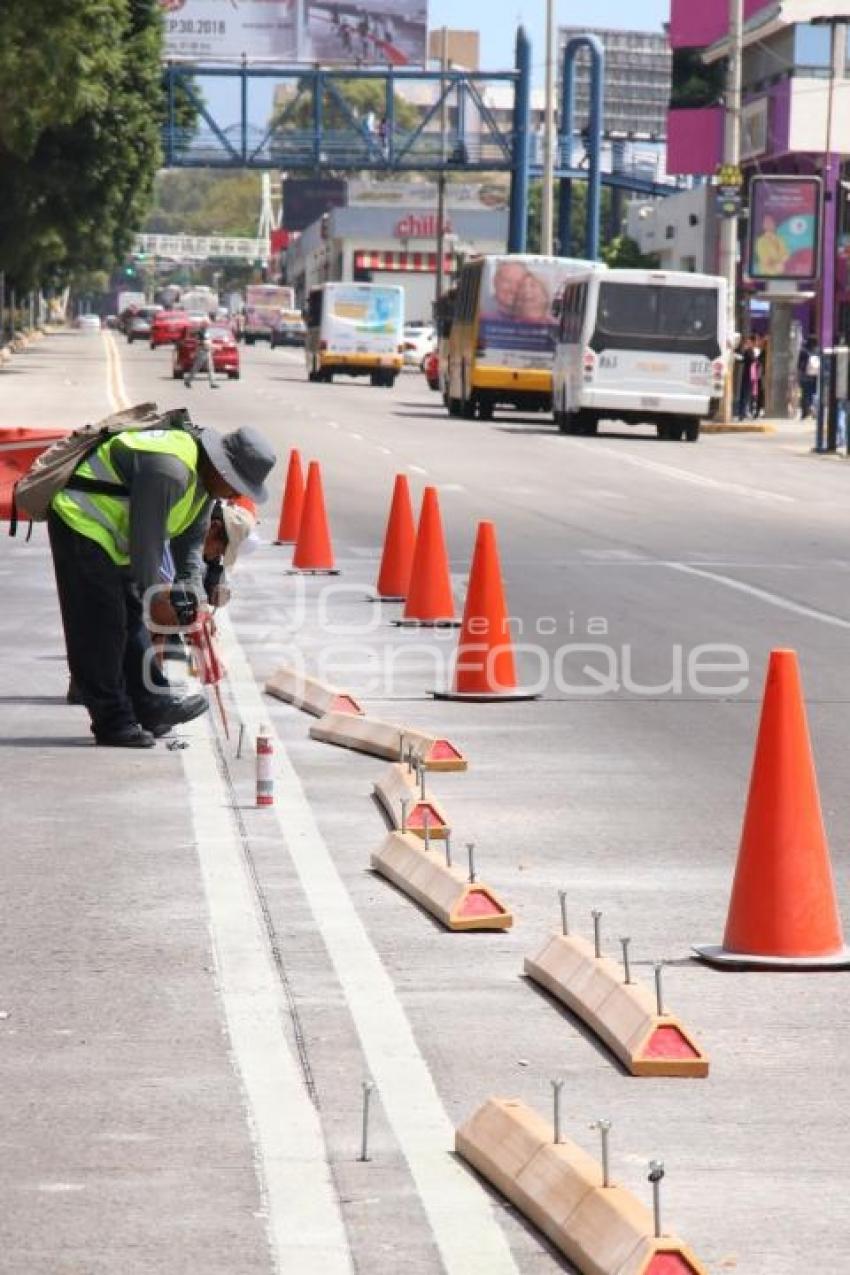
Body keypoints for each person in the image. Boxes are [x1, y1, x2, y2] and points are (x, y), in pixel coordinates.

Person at [48, 424, 276, 747]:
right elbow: (147, 546)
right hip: (82, 522)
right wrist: (160, 598)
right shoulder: (171, 471)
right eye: (236, 485)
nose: (235, 495)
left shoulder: (204, 488)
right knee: (104, 626)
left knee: (129, 622)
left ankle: (153, 707)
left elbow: (190, 550)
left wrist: (193, 602)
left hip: (113, 539)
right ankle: (112, 721)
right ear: (222, 469)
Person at [184, 323, 218, 389]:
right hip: (202, 352)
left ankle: (212, 383)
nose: (208, 325)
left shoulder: (206, 332)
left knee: (210, 368)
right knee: (196, 367)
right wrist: (215, 346)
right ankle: (188, 380)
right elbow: (205, 342)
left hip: (207, 351)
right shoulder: (201, 332)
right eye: (207, 324)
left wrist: (212, 347)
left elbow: (207, 341)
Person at [797, 335, 820, 420]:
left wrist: (800, 373)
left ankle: (805, 413)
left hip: (805, 376)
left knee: (805, 395)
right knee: (815, 394)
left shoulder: (803, 350)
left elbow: (799, 365)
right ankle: (814, 412)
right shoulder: (817, 350)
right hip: (815, 376)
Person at [735, 335, 756, 420]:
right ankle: (742, 413)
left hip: (749, 376)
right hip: (747, 376)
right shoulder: (749, 351)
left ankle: (742, 413)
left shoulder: (750, 351)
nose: (746, 344)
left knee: (745, 395)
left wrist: (742, 354)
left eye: (748, 342)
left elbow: (746, 359)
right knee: (743, 395)